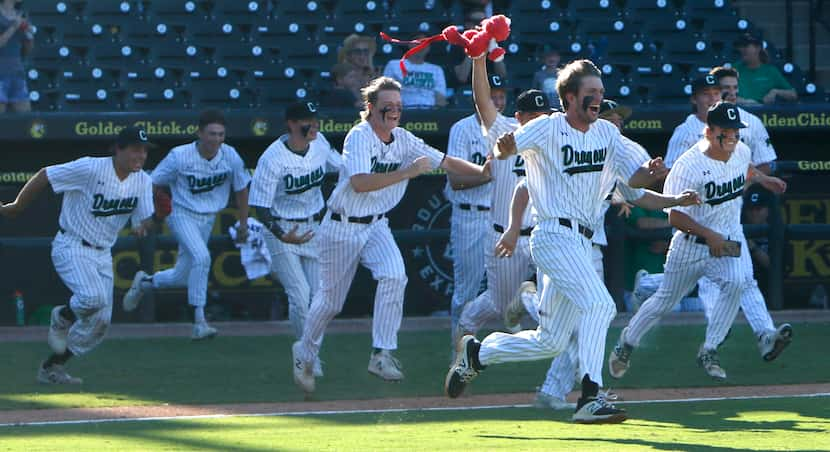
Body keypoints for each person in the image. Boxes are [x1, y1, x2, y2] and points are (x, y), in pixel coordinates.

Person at [444, 59, 665, 424]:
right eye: (590, 93)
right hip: (552, 234)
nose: (598, 99)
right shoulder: (546, 127)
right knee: (600, 306)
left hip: (582, 241)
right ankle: (590, 397)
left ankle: (478, 354)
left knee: (551, 341)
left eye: (600, 92)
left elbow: (635, 177)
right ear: (568, 97)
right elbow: (505, 151)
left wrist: (650, 174)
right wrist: (503, 145)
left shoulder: (607, 134)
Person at [291, 76, 492, 394]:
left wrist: (482, 171)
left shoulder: (403, 139)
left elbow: (443, 160)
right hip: (342, 225)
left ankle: (381, 353)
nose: (395, 111)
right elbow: (359, 182)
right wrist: (407, 172)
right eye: (388, 106)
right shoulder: (359, 136)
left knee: (395, 276)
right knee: (330, 302)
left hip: (376, 224)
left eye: (399, 106)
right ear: (371, 108)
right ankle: (304, 353)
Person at [609, 102, 789, 382]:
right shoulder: (688, 165)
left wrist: (765, 179)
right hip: (690, 244)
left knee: (738, 282)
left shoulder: (740, 150)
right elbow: (675, 218)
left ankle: (710, 348)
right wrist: (709, 235)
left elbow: (747, 167)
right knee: (665, 301)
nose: (731, 136)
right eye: (724, 131)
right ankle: (627, 342)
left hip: (727, 237)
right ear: (708, 131)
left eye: (735, 131)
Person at [0, 127, 155, 383]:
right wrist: (17, 205)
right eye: (135, 149)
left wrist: (149, 222)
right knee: (93, 298)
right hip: (72, 244)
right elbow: (45, 174)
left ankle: (52, 368)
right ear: (118, 148)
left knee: (100, 323)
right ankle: (61, 317)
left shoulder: (143, 181)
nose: (141, 155)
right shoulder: (91, 168)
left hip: (102, 252)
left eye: (145, 151)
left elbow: (143, 223)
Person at [122, 109, 251, 340]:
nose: (217, 139)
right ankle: (199, 322)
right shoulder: (179, 155)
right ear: (199, 133)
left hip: (208, 217)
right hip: (181, 213)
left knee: (182, 276)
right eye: (212, 134)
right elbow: (150, 183)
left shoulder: (230, 156)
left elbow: (242, 190)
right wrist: (143, 214)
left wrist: (243, 224)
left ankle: (145, 283)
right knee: (202, 258)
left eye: (221, 134)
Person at [454, 64, 552, 349]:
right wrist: (478, 57)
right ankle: (467, 324)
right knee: (498, 304)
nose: (539, 121)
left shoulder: (553, 137)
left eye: (543, 115)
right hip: (502, 236)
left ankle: (526, 301)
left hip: (541, 234)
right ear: (519, 117)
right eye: (533, 116)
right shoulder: (503, 130)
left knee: (556, 297)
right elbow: (482, 100)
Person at [249, 101, 342, 377]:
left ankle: (309, 352)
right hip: (281, 229)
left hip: (313, 226)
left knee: (320, 300)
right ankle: (308, 357)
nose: (314, 126)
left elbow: (343, 168)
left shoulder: (321, 144)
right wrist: (280, 234)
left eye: (315, 120)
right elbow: (260, 207)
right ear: (291, 124)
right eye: (307, 121)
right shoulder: (272, 158)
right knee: (300, 296)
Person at [445, 72, 510, 331]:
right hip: (469, 215)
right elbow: (454, 180)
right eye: (492, 97)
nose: (497, 102)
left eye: (501, 96)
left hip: (501, 217)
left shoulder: (510, 129)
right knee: (466, 291)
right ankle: (457, 351)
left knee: (507, 287)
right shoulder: (462, 129)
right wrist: (487, 174)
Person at [710, 66, 778, 174]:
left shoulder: (753, 122)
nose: (732, 93)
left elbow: (765, 164)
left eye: (735, 87)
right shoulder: (699, 120)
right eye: (726, 88)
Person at [665, 75, 722, 169]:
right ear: (694, 99)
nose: (712, 98)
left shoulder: (729, 127)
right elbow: (672, 171)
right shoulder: (685, 132)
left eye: (716, 93)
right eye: (706, 94)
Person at [382, 34, 448, 108]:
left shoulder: (436, 70)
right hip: (403, 110)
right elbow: (386, 92)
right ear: (410, 45)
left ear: (428, 48)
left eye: (425, 43)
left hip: (429, 111)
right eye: (418, 42)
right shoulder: (394, 65)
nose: (421, 46)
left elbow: (441, 98)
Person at [451, 9, 508, 91]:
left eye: (484, 22)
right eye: (476, 22)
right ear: (467, 24)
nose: (480, 26)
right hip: (467, 91)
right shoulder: (458, 44)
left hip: (491, 89)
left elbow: (502, 75)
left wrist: (494, 50)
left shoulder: (495, 41)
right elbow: (462, 77)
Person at [734, 34, 797, 105]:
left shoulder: (771, 71)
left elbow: (793, 94)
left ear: (758, 48)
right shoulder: (734, 69)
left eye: (745, 46)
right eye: (740, 47)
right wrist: (743, 101)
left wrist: (775, 91)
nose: (741, 49)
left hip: (764, 113)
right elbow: (724, 93)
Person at [0, 0, 34, 112]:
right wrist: (14, 27)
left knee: (25, 120)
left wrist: (29, 35)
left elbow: (27, 50)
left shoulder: (22, 14)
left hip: (17, 73)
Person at [531, 45, 562, 110]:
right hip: (544, 108)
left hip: (560, 108)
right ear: (543, 59)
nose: (551, 59)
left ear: (558, 58)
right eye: (548, 56)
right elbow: (535, 92)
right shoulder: (538, 75)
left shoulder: (563, 74)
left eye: (554, 56)